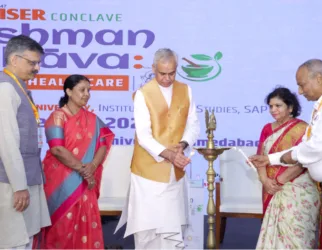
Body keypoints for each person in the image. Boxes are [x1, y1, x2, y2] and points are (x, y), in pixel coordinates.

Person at [249, 59, 322, 249]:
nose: (301, 91)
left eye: (302, 85)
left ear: (318, 78)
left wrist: (286, 161)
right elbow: (308, 144)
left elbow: (315, 147)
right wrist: (270, 159)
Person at [115, 48, 200, 249]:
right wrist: (169, 154)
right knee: (147, 231)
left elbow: (193, 124)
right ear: (154, 69)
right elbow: (143, 135)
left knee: (172, 229)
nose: (167, 78)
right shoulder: (143, 94)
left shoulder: (186, 90)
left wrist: (183, 144)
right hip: (147, 173)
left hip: (174, 172)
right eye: (162, 73)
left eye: (172, 73)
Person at [33, 75, 115, 249]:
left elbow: (102, 144)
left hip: (86, 182)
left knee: (86, 228)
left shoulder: (93, 119)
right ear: (68, 91)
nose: (86, 94)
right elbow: (57, 149)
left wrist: (92, 166)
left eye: (88, 90)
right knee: (61, 229)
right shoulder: (57, 117)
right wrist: (84, 170)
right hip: (61, 183)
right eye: (82, 90)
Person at [0, 35, 51, 249]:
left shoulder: (19, 87)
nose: (37, 68)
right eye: (32, 62)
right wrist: (19, 187)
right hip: (10, 185)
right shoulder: (5, 88)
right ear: (14, 60)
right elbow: (7, 142)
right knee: (14, 242)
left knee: (25, 241)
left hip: (25, 181)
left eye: (38, 62)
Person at [254, 87, 320, 249]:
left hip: (298, 188)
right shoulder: (267, 129)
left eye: (278, 106)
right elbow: (260, 158)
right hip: (271, 187)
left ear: (290, 108)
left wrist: (279, 181)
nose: (273, 110)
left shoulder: (303, 129)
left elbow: (303, 160)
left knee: (296, 238)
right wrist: (265, 180)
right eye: (270, 106)